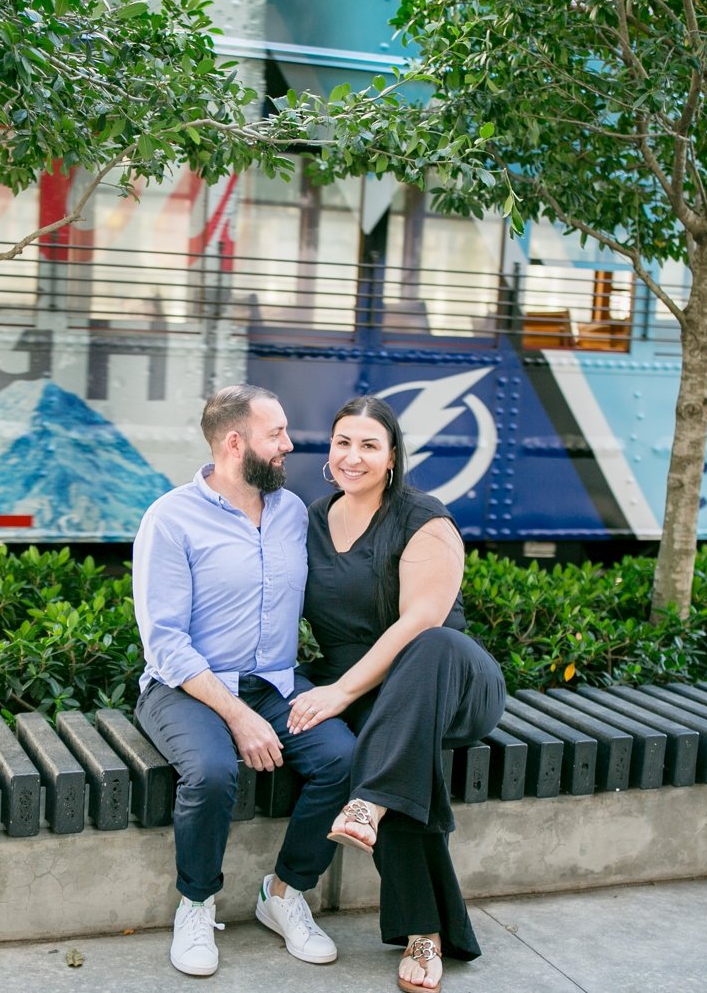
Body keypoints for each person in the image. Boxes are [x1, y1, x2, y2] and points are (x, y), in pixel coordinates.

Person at [132, 384, 356, 977]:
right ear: (236, 443)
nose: (289, 445)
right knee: (211, 771)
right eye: (276, 434)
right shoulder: (171, 519)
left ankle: (283, 895)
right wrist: (236, 715)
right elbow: (166, 642)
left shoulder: (291, 513)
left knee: (343, 757)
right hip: (186, 689)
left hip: (275, 685)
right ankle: (196, 904)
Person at [286, 395, 507, 993]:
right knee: (392, 749)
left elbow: (420, 620)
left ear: (390, 458)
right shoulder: (309, 520)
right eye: (342, 443)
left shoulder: (423, 516)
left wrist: (336, 694)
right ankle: (426, 934)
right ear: (329, 452)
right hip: (368, 693)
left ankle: (369, 805)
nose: (352, 456)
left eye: (368, 445)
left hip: (447, 680)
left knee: (425, 650)